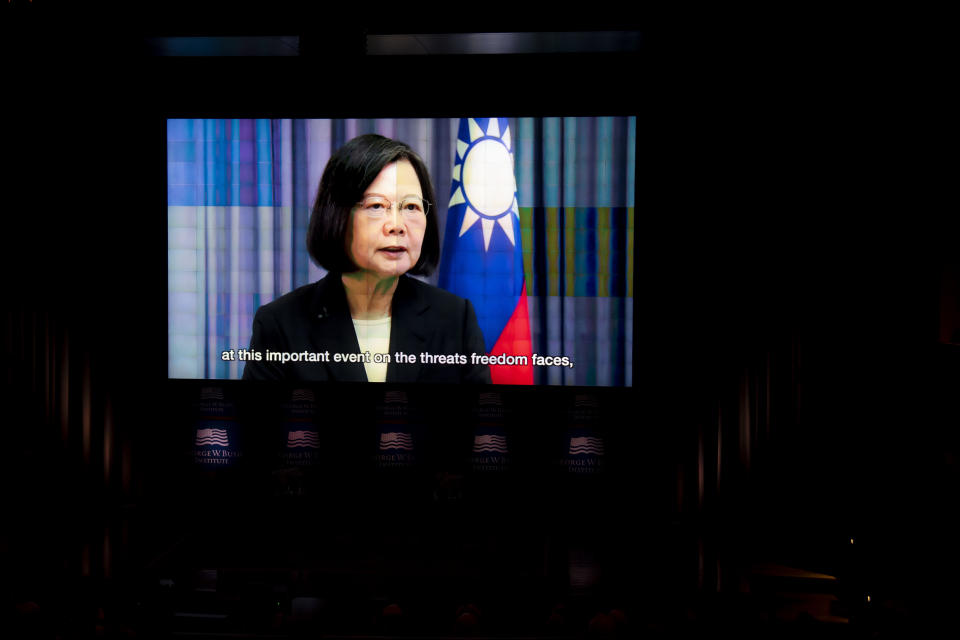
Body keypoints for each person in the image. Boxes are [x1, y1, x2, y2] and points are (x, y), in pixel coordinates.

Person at [242, 134, 491, 383]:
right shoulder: (280, 324)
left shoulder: (456, 318)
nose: (397, 225)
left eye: (411, 207)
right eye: (376, 206)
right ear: (337, 216)